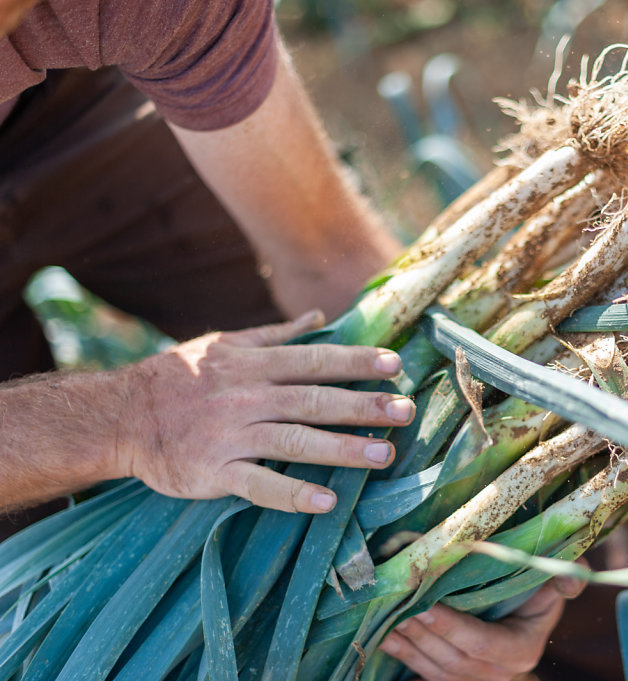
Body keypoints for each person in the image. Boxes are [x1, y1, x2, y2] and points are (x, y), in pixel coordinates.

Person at [0, 1, 583, 678]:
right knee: (34, 597)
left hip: (68, 100)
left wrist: (516, 508)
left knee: (371, 394)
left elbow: (324, 255)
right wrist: (128, 417)